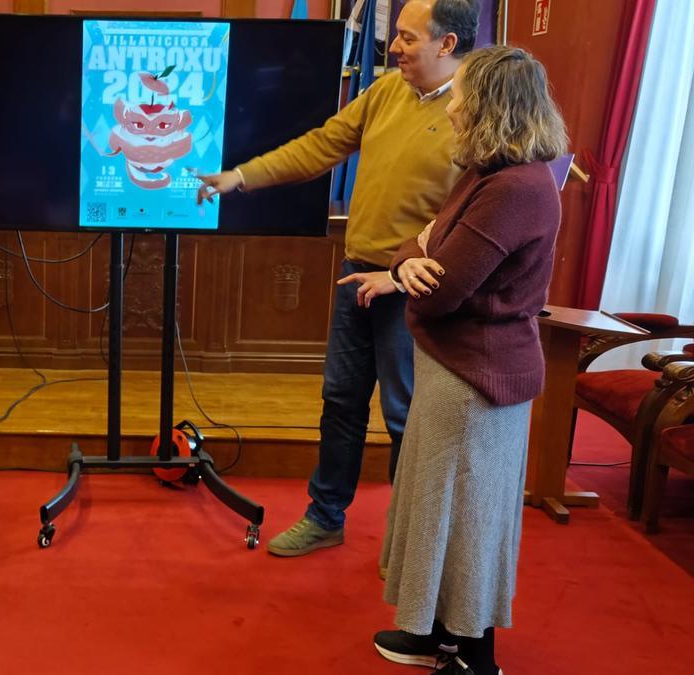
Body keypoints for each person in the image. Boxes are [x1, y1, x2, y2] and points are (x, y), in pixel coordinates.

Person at [197, 0, 481, 558]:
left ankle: (409, 546)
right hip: (358, 279)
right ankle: (326, 516)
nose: (392, 46)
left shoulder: (475, 111)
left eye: (406, 37)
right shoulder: (384, 93)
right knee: (340, 402)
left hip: (416, 293)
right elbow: (324, 145)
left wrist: (409, 278)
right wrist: (241, 177)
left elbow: (478, 217)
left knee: (407, 419)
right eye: (394, 34)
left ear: (447, 45)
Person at [370, 45, 567, 674]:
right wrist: (406, 263)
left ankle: (475, 655)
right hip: (455, 372)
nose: (450, 106)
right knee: (442, 511)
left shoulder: (515, 188)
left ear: (489, 106)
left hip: (474, 380)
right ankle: (436, 633)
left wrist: (412, 270)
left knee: (468, 517)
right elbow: (420, 243)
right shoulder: (488, 175)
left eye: (459, 95)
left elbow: (444, 289)